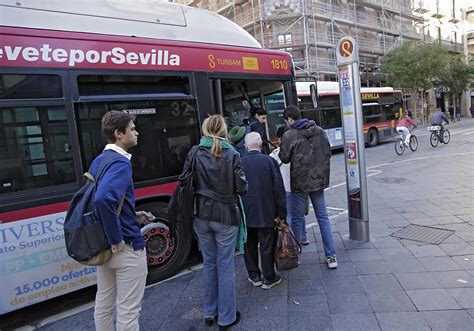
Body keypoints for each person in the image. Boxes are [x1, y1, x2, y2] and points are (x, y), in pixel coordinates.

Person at [93, 110, 155, 331]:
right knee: (128, 312)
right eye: (132, 129)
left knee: (104, 303)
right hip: (126, 247)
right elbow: (103, 200)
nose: (136, 133)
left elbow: (102, 201)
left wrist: (133, 215)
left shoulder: (100, 160)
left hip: (105, 248)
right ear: (119, 134)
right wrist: (116, 238)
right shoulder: (120, 163)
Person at [184, 115, 247, 330]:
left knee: (209, 264)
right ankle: (227, 317)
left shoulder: (194, 152)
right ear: (223, 130)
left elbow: (184, 181)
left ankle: (210, 313)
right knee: (225, 266)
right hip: (226, 216)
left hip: (200, 215)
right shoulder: (232, 153)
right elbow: (243, 187)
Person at [279, 105, 337, 269]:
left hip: (300, 182)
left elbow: (284, 158)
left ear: (290, 119)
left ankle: (295, 254)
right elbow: (328, 151)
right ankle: (331, 256)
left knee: (297, 219)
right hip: (318, 180)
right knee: (323, 217)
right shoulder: (318, 130)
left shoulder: (290, 134)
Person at [241, 132, 286, 290]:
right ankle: (269, 277)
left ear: (246, 146)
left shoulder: (239, 162)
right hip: (266, 210)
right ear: (260, 144)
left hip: (246, 212)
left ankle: (254, 275)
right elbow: (278, 189)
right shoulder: (269, 161)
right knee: (267, 245)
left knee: (249, 244)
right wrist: (282, 213)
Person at [270, 126, 309, 246]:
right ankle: (303, 236)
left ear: (280, 138)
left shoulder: (275, 154)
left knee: (290, 216)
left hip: (285, 188)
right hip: (300, 186)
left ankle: (291, 243)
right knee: (300, 213)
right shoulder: (300, 150)